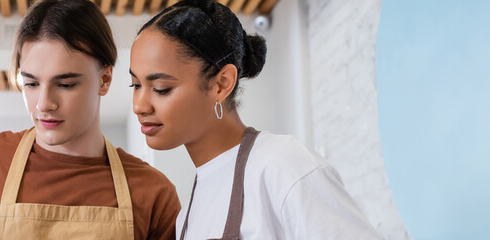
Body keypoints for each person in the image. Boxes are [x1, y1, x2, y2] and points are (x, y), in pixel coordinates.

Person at [0, 0, 180, 239]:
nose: (44, 103)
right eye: (31, 83)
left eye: (65, 84)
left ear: (105, 79)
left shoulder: (153, 193)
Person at [128, 0, 381, 239]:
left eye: (160, 88)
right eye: (135, 85)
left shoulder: (283, 167)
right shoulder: (186, 216)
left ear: (221, 84)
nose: (139, 105)